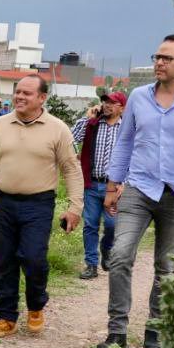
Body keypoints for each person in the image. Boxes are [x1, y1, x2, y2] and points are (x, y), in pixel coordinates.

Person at [97, 35, 174, 348]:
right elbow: (124, 142)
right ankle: (117, 331)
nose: (159, 63)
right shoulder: (138, 97)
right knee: (120, 254)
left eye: (167, 58)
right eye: (157, 57)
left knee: (166, 265)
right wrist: (112, 186)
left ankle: (156, 329)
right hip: (139, 187)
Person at [0, 75, 83, 338]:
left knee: (33, 258)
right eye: (18, 92)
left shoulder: (58, 129)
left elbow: (71, 170)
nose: (19, 97)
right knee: (2, 260)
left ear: (42, 98)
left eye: (27, 93)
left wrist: (74, 208)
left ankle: (36, 305)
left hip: (38, 205)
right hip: (3, 202)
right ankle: (6, 317)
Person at [71, 91, 126, 280]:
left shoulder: (127, 127)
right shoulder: (93, 124)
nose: (107, 105)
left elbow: (134, 157)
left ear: (122, 107)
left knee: (112, 225)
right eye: (105, 101)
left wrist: (124, 183)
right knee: (90, 225)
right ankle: (91, 264)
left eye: (112, 102)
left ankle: (107, 248)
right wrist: (87, 118)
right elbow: (72, 138)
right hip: (92, 184)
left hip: (115, 188)